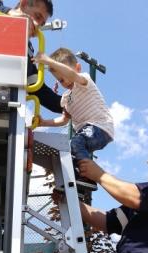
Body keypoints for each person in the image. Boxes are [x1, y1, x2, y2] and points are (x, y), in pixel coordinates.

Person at [33, 47, 114, 191]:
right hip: (87, 132)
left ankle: (89, 177)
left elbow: (71, 74)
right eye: (61, 80)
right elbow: (64, 120)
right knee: (69, 152)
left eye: (65, 75)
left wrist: (49, 61)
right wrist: (44, 122)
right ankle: (74, 180)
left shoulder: (83, 81)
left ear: (77, 68)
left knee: (76, 142)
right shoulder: (65, 99)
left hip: (101, 127)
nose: (65, 81)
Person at [0, 0, 62, 113]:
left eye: (41, 24)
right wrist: (9, 13)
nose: (37, 25)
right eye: (37, 16)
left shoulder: (27, 50)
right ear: (23, 4)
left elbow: (38, 88)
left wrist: (69, 105)